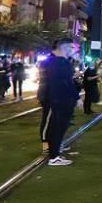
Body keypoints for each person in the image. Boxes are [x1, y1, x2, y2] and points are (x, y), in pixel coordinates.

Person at [39, 38, 78, 166]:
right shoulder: (57, 62)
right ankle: (53, 154)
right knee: (55, 126)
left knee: (57, 126)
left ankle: (54, 149)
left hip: (58, 100)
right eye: (71, 47)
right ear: (64, 47)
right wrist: (76, 97)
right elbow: (65, 83)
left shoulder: (58, 62)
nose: (73, 50)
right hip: (57, 100)